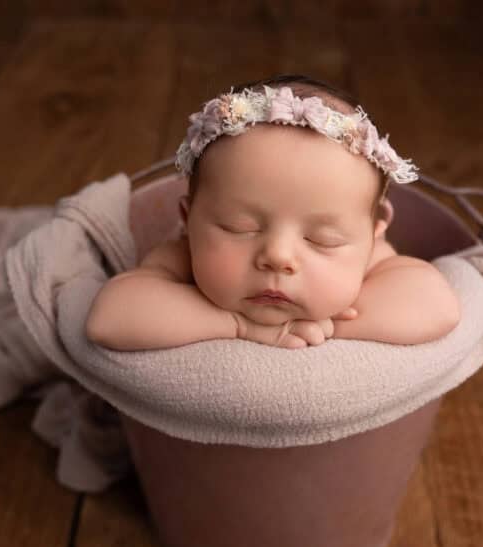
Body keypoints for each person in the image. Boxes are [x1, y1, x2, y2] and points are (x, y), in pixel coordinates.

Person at [86, 74, 460, 351]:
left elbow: (437, 306)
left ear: (374, 233)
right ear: (188, 220)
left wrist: (327, 326)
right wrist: (236, 325)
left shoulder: (373, 257)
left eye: (321, 239)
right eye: (239, 227)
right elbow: (110, 319)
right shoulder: (180, 254)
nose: (278, 256)